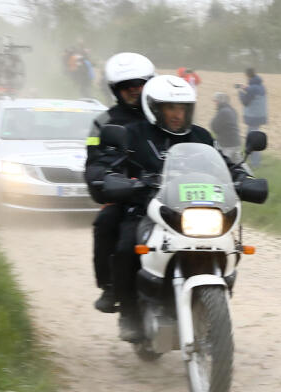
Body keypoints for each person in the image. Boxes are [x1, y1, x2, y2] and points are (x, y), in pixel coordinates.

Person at [92, 75, 251, 341]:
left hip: (189, 209)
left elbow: (223, 164)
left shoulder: (201, 136)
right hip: (146, 209)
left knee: (226, 243)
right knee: (125, 246)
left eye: (183, 108)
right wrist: (116, 178)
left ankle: (211, 307)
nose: (177, 115)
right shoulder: (134, 134)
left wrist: (242, 177)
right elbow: (114, 165)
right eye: (170, 108)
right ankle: (129, 314)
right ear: (155, 109)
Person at [85, 52, 155, 315]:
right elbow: (95, 159)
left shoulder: (167, 111)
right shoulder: (103, 123)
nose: (134, 90)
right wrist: (102, 178)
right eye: (127, 86)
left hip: (169, 193)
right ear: (116, 90)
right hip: (128, 193)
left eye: (139, 84)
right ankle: (112, 287)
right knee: (108, 225)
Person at [237, 67, 267, 167]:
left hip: (253, 117)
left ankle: (255, 163)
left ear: (247, 75)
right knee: (255, 138)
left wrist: (240, 92)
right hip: (259, 116)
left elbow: (245, 101)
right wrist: (246, 88)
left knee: (252, 140)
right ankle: (256, 161)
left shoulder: (253, 88)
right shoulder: (260, 86)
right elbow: (254, 94)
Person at [211, 92, 241, 162]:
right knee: (237, 165)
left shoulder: (223, 112)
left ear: (219, 101)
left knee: (224, 164)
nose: (215, 103)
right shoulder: (232, 110)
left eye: (215, 101)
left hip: (227, 145)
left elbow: (214, 127)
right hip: (236, 143)